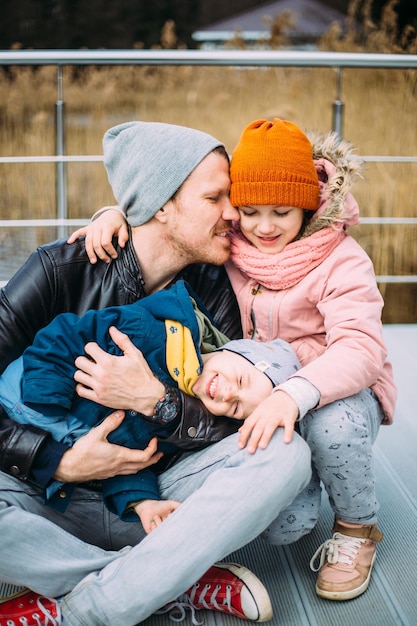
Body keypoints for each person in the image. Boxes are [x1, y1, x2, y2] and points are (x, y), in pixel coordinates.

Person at [0, 120, 312, 626]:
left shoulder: (214, 290)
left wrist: (158, 402)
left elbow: (232, 419)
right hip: (47, 497)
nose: (235, 215)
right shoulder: (60, 270)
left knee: (286, 455)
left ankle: (91, 607)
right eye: (216, 199)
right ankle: (169, 579)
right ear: (163, 205)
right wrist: (54, 461)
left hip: (156, 498)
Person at [85, 118, 397, 603]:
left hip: (335, 390)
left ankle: (358, 529)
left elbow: (362, 348)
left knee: (333, 429)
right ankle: (307, 479)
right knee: (286, 526)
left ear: (309, 205)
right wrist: (118, 215)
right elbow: (174, 220)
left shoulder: (341, 259)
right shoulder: (234, 246)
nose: (265, 226)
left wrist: (293, 396)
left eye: (281, 211)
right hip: (254, 388)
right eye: (249, 210)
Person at [0, 276, 301, 529]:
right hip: (20, 392)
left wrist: (144, 504)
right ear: (232, 351)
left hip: (56, 467)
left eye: (236, 407)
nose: (227, 394)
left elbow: (129, 462)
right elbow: (66, 333)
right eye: (240, 380)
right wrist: (46, 398)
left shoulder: (180, 423)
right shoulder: (150, 331)